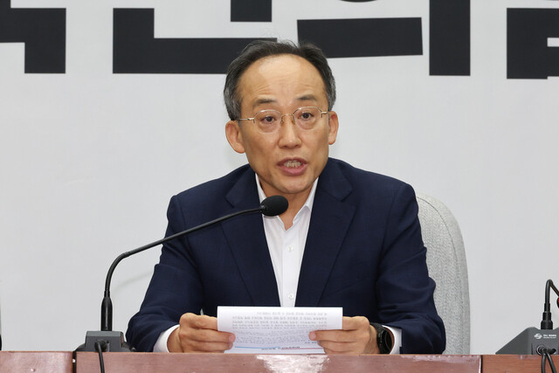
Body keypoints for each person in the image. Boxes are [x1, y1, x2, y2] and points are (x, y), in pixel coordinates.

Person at [126, 40, 445, 354]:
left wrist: (377, 340)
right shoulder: (198, 213)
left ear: (330, 127)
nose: (291, 139)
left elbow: (425, 328)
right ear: (236, 135)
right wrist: (179, 341)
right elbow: (150, 325)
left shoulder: (384, 206)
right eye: (268, 119)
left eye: (306, 115)